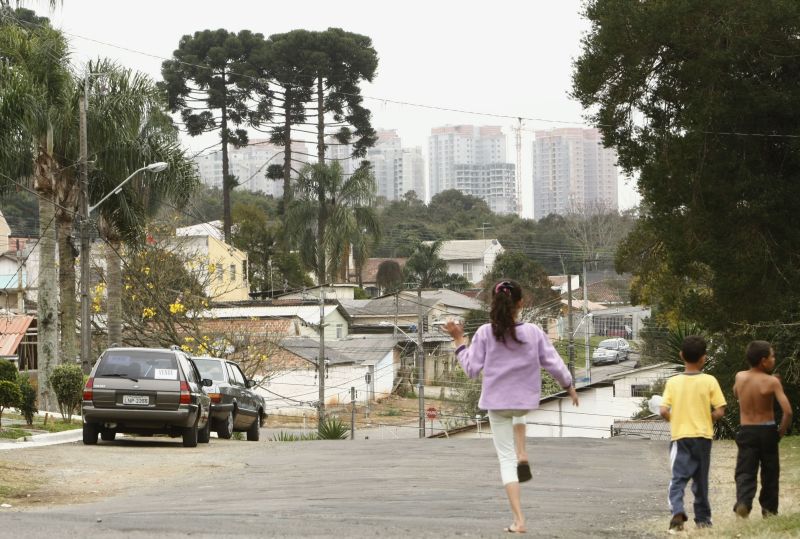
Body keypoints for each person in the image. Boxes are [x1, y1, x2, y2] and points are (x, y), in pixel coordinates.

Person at [442, 279, 578, 534]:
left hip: (496, 404)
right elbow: (553, 363)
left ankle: (519, 520)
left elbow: (471, 369)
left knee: (506, 460)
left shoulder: (484, 333)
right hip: (524, 402)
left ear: (494, 303)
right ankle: (523, 452)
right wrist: (569, 385)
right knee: (519, 414)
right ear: (520, 303)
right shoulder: (534, 332)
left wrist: (458, 339)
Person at [659, 335, 727, 532]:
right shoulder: (710, 381)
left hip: (681, 437)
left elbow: (663, 410)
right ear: (703, 358)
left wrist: (675, 418)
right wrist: (708, 418)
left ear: (681, 355)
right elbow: (720, 410)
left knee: (678, 478)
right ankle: (703, 519)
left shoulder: (673, 382)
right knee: (701, 479)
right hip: (703, 437)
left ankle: (677, 511)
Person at [732, 340, 793, 518]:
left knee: (745, 470)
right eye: (772, 356)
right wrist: (780, 432)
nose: (774, 359)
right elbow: (788, 412)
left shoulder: (740, 377)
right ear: (763, 360)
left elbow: (737, 393)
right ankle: (769, 510)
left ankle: (743, 502)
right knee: (770, 472)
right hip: (767, 431)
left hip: (747, 430)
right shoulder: (772, 381)